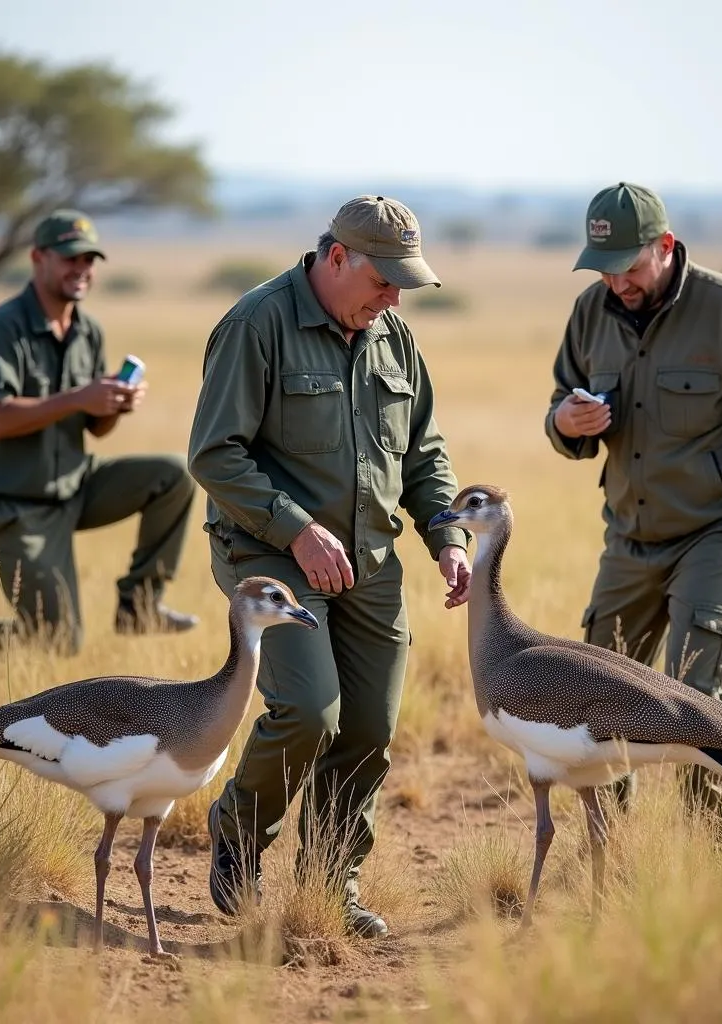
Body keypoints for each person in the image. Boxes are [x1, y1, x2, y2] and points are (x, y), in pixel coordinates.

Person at [187, 195, 471, 937]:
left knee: (368, 727)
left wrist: (447, 536)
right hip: (269, 554)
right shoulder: (257, 325)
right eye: (384, 280)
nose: (394, 298)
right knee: (312, 710)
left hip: (370, 560)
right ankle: (239, 833)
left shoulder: (393, 337)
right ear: (336, 259)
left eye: (405, 285)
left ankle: (327, 892)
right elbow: (214, 455)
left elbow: (424, 456)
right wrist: (298, 527)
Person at [544, 182, 722, 823]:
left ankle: (708, 850)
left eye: (630, 267)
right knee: (597, 694)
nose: (617, 282)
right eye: (604, 268)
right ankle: (611, 855)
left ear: (665, 246)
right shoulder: (590, 312)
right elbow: (561, 407)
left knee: (693, 692)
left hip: (717, 530)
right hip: (629, 537)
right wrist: (566, 422)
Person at [0, 209, 199, 656]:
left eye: (89, 261)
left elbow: (95, 430)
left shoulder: (87, 330)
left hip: (71, 489)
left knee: (175, 474)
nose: (81, 270)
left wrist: (113, 407)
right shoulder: (2, 329)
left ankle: (140, 605)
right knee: (57, 642)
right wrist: (80, 397)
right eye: (69, 258)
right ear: (38, 258)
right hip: (10, 506)